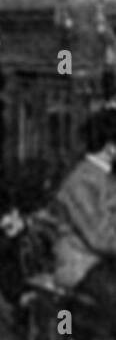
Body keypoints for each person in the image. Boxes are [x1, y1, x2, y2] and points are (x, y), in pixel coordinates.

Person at [48, 108, 116, 323]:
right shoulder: (81, 182)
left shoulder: (107, 176)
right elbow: (101, 238)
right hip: (82, 264)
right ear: (110, 146)